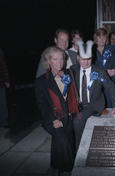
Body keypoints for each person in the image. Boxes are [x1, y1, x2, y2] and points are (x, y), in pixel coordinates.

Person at [71, 40, 115, 151]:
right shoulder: (72, 70)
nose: (85, 63)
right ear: (78, 58)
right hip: (76, 105)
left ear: (92, 58)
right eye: (83, 59)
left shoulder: (99, 71)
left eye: (88, 59)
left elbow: (111, 88)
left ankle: (80, 152)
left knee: (78, 121)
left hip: (93, 105)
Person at [35, 46, 78, 175]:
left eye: (61, 59)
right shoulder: (41, 81)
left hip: (69, 115)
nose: (59, 62)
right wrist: (53, 120)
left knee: (66, 139)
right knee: (62, 138)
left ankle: (57, 165)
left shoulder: (69, 74)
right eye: (55, 59)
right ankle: (70, 168)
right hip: (52, 117)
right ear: (48, 60)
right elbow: (42, 105)